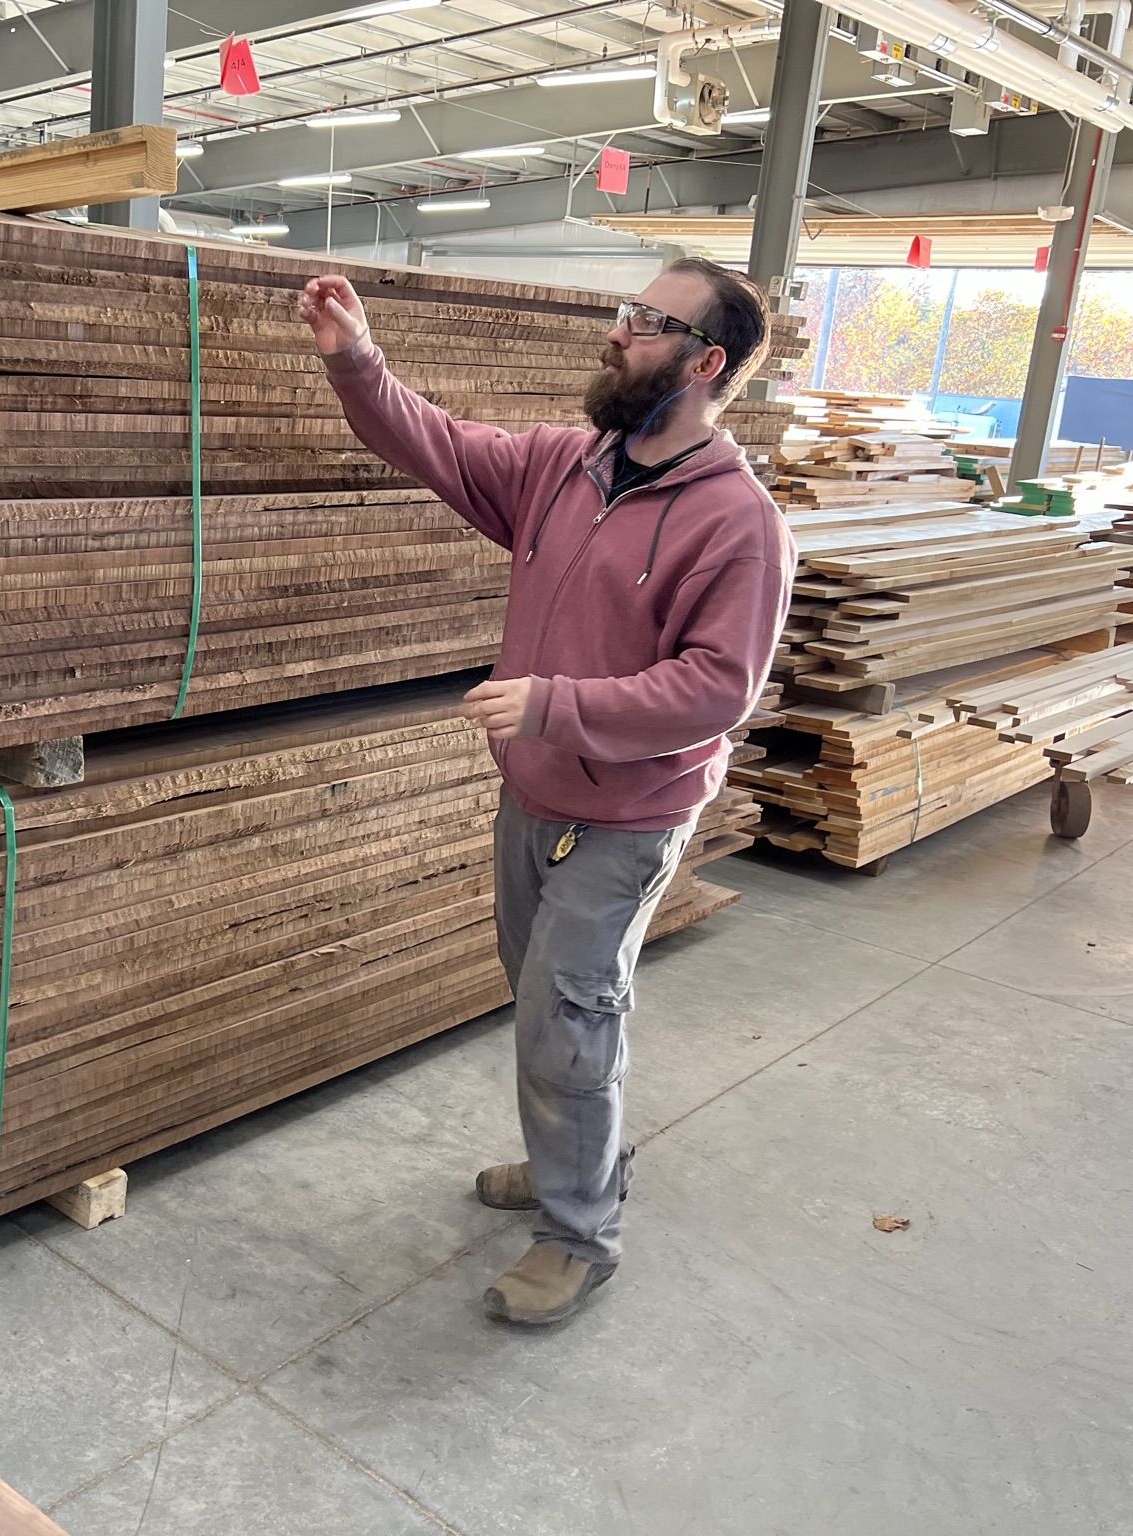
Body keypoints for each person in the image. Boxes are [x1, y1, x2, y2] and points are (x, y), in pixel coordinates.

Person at [298, 257, 794, 1327]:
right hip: (531, 798)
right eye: (623, 312)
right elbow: (434, 441)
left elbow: (715, 689)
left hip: (624, 816)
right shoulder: (563, 466)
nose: (616, 334)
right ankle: (571, 1153)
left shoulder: (737, 522)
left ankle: (578, 1237)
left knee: (568, 1020)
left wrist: (553, 707)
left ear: (705, 363)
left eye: (646, 322)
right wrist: (357, 362)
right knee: (537, 1002)